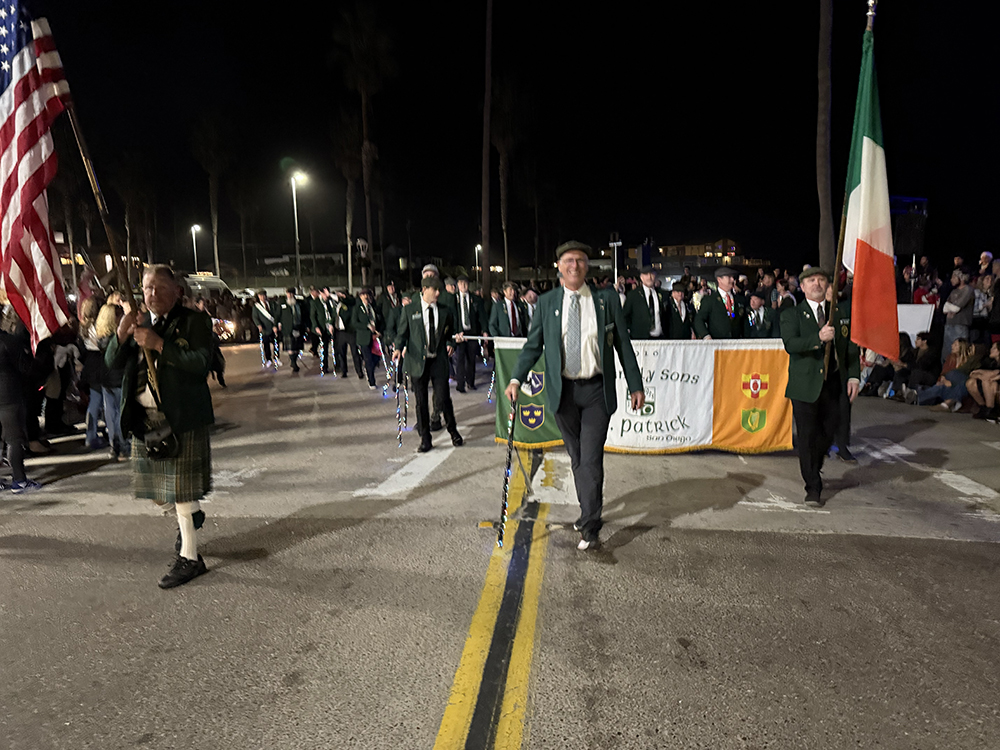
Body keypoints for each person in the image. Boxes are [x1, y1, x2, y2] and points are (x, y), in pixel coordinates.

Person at [504, 241, 644, 551]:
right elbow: (533, 346)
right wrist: (515, 378)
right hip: (563, 393)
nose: (574, 265)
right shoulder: (547, 302)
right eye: (568, 260)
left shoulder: (606, 300)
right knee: (578, 458)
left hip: (596, 391)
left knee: (591, 458)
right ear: (559, 266)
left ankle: (591, 525)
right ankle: (587, 512)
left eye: (580, 260)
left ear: (586, 266)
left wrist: (636, 385)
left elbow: (623, 344)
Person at [106, 266, 213, 589]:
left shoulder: (194, 321)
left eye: (159, 288)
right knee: (156, 493)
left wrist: (160, 345)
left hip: (180, 417)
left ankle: (190, 558)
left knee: (181, 492)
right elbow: (112, 363)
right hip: (144, 418)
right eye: (147, 288)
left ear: (177, 291)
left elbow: (201, 363)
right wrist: (121, 333)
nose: (152, 294)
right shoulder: (138, 321)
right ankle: (190, 517)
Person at [780, 267, 860, 507]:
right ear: (802, 287)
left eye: (821, 280)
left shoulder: (839, 313)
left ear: (828, 285)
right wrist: (818, 338)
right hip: (805, 385)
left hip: (833, 383)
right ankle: (813, 486)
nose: (817, 284)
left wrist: (853, 376)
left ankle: (815, 465)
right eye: (811, 280)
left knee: (828, 432)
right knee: (807, 436)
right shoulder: (792, 314)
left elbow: (850, 347)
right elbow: (791, 344)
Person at [393, 276, 463, 452]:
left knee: (443, 398)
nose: (438, 293)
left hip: (438, 361)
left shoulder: (445, 311)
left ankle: (453, 431)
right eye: (434, 290)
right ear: (424, 290)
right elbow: (402, 333)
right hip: (418, 362)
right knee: (421, 402)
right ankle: (425, 438)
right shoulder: (410, 310)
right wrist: (398, 348)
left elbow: (451, 332)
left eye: (439, 290)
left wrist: (451, 343)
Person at [0, 324, 42, 493]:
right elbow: (25, 367)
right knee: (14, 439)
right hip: (9, 396)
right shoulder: (8, 341)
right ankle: (19, 480)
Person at [95, 301, 128, 460]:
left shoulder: (101, 338)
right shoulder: (116, 339)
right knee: (120, 414)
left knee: (110, 414)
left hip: (106, 379)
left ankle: (114, 446)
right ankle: (123, 446)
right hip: (118, 378)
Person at [917, 338, 980, 411]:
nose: (952, 346)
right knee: (941, 386)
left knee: (952, 379)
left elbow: (966, 377)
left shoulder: (969, 361)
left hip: (958, 386)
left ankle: (918, 396)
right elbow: (944, 373)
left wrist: (951, 383)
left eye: (955, 345)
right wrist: (944, 380)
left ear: (962, 347)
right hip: (947, 383)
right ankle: (918, 397)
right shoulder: (950, 358)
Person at [454, 274, 485, 392]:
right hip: (459, 333)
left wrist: (484, 330)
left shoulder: (475, 299)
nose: (463, 285)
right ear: (457, 285)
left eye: (465, 283)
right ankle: (460, 384)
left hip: (472, 332)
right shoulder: (454, 299)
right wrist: (457, 331)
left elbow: (481, 316)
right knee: (460, 359)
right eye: (461, 283)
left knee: (471, 359)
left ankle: (470, 382)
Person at [694, 267, 745, 339]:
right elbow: (699, 319)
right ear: (719, 279)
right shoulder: (710, 299)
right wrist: (706, 335)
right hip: (717, 343)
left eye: (733, 277)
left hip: (737, 343)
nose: (732, 280)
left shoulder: (739, 299)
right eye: (729, 277)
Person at [622, 265, 667, 340]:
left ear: (655, 276)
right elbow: (625, 316)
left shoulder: (662, 294)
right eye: (646, 275)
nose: (649, 277)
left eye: (651, 274)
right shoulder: (633, 295)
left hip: (660, 339)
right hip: (640, 339)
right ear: (641, 277)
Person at [351, 288, 384, 390]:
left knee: (376, 358)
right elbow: (354, 323)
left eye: (368, 295)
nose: (366, 297)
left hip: (374, 337)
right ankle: (371, 381)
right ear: (361, 297)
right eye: (364, 295)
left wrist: (378, 330)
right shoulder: (357, 308)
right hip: (364, 338)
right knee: (368, 359)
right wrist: (366, 326)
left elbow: (379, 319)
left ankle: (369, 369)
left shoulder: (373, 307)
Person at [942, 269, 974, 362]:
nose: (951, 279)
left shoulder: (968, 290)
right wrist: (951, 308)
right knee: (946, 354)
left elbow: (957, 307)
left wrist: (951, 308)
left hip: (960, 325)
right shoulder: (953, 291)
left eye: (954, 277)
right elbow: (944, 308)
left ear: (961, 278)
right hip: (949, 324)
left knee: (959, 353)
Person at [332, 290, 363, 379]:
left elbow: (350, 302)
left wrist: (343, 298)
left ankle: (359, 371)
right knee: (341, 353)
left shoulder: (349, 303)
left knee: (355, 352)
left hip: (350, 331)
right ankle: (344, 370)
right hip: (340, 331)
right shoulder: (338, 305)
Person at [967, 342, 1000, 421]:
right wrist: (981, 375)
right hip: (987, 386)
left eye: (994, 348)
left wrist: (990, 375)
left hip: (996, 387)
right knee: (970, 382)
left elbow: (994, 375)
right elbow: (973, 373)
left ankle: (990, 409)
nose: (991, 350)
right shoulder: (989, 361)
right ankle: (983, 407)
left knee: (988, 382)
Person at [277, 288, 306, 373]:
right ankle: (293, 363)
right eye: (288, 294)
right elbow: (277, 315)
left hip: (298, 327)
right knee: (290, 347)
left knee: (297, 347)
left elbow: (304, 314)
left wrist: (306, 326)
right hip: (287, 328)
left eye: (291, 294)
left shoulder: (300, 303)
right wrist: (276, 325)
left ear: (294, 294)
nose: (289, 295)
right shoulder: (282, 303)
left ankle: (294, 361)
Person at [251, 290, 278, 367]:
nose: (262, 297)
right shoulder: (256, 307)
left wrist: (275, 325)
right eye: (261, 296)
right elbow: (255, 317)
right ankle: (269, 359)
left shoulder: (272, 304)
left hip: (273, 327)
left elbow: (276, 314)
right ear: (258, 296)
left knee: (276, 343)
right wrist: (258, 325)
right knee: (266, 344)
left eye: (263, 295)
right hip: (264, 328)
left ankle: (276, 358)